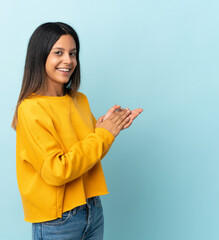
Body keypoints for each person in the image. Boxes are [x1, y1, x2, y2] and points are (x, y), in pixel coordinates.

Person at [11, 22, 143, 240]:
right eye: (58, 53)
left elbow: (90, 153)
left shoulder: (79, 100)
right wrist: (102, 134)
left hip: (92, 208)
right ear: (40, 56)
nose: (68, 61)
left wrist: (107, 129)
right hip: (58, 219)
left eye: (73, 53)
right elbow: (57, 171)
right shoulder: (30, 109)